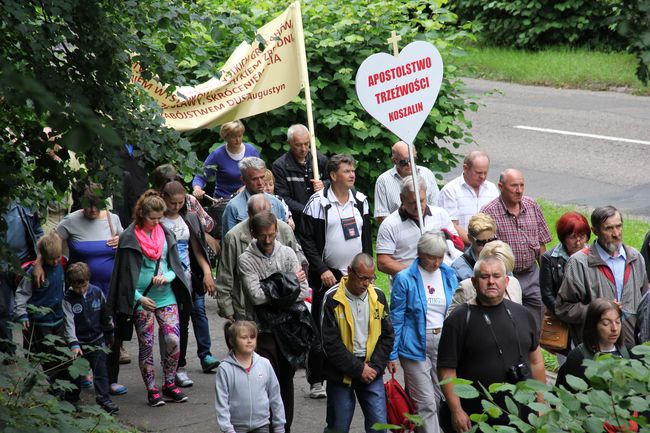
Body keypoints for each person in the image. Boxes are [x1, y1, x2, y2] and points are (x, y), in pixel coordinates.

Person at [437, 256, 546, 432]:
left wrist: (542, 404)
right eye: (484, 276)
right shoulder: (459, 319)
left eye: (496, 276)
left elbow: (536, 361)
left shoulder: (523, 314)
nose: (491, 282)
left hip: (523, 412)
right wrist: (456, 410)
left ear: (506, 280)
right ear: (473, 281)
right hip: (478, 416)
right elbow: (446, 370)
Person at [107, 190, 192, 407]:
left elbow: (175, 268)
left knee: (173, 340)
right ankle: (152, 388)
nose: (156, 222)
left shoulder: (165, 233)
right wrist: (138, 299)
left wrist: (167, 277)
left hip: (166, 296)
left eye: (158, 218)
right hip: (141, 300)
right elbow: (123, 277)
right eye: (152, 218)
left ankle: (170, 383)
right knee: (146, 344)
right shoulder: (128, 237)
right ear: (141, 215)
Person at [300, 154, 373, 398]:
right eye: (346, 170)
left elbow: (366, 241)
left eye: (352, 169)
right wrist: (321, 269)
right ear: (333, 175)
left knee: (358, 326)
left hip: (356, 276)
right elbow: (307, 239)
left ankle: (354, 371)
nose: (352, 174)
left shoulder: (361, 201)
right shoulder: (318, 202)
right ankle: (317, 379)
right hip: (328, 277)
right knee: (322, 330)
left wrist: (367, 273)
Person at [238, 212, 310, 433]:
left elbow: (303, 291)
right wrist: (287, 282)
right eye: (263, 236)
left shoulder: (287, 254)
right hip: (262, 329)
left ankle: (284, 427)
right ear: (253, 234)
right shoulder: (246, 259)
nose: (268, 241)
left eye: (271, 235)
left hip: (289, 327)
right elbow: (255, 297)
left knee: (286, 380)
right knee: (266, 380)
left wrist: (271, 288)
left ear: (276, 232)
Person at [387, 232, 459, 433]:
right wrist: (392, 354)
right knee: (426, 403)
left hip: (444, 344)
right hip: (414, 347)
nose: (436, 262)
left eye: (440, 257)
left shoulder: (449, 274)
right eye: (431, 257)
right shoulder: (405, 278)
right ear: (420, 254)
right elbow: (397, 317)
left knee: (438, 397)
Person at [321, 253, 394, 433]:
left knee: (379, 426)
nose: (367, 283)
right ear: (350, 271)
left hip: (372, 370)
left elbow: (387, 335)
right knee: (338, 426)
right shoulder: (331, 298)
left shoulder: (378, 296)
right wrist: (359, 369)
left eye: (371, 278)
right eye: (362, 278)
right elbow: (329, 343)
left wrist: (375, 367)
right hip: (340, 373)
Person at [555, 206, 648, 347]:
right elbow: (564, 308)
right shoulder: (579, 263)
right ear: (595, 231)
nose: (616, 233)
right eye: (609, 228)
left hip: (632, 347)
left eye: (618, 226)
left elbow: (645, 304)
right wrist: (599, 311)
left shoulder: (635, 258)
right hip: (597, 351)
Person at [160, 181, 219, 387]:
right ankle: (169, 365)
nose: (176, 206)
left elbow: (198, 250)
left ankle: (180, 366)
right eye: (172, 203)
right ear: (163, 199)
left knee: (183, 324)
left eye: (180, 202)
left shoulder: (190, 218)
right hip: (164, 279)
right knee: (169, 327)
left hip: (186, 278)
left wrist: (207, 273)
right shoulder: (157, 221)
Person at [481, 168, 551, 332]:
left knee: (536, 321)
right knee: (509, 323)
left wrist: (546, 276)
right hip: (507, 276)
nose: (519, 190)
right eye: (514, 186)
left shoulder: (532, 206)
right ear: (501, 186)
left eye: (522, 185)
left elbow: (542, 245)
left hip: (532, 273)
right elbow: (485, 252)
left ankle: (532, 352)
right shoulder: (489, 212)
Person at [216, 194, 304, 322]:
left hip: (287, 314)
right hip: (247, 310)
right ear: (249, 215)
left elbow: (301, 281)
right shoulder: (234, 236)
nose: (268, 240)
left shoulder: (285, 230)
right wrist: (226, 307)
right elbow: (226, 274)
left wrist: (271, 291)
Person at [14, 232, 71, 397]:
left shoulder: (62, 263)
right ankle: (34, 388)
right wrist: (22, 314)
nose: (55, 262)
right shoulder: (34, 271)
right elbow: (21, 294)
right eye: (51, 259)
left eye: (57, 257)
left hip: (58, 319)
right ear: (42, 256)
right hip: (39, 322)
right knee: (42, 356)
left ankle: (59, 386)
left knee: (59, 353)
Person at [376, 176, 461, 282]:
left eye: (421, 200)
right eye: (412, 202)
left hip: (441, 281)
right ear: (402, 198)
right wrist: (415, 274)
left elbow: (455, 246)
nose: (418, 206)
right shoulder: (389, 224)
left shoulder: (440, 214)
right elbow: (382, 262)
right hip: (409, 286)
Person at [62, 262, 118, 414]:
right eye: (76, 287)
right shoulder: (68, 299)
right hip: (78, 343)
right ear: (70, 283)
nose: (80, 290)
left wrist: (109, 332)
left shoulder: (97, 292)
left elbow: (105, 314)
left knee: (101, 372)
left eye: (83, 286)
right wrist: (73, 344)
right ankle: (72, 400)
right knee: (76, 373)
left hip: (97, 339)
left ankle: (104, 400)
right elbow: (69, 323)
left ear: (88, 280)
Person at [215, 321, 286, 433]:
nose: (249, 341)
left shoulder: (264, 364)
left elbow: (275, 396)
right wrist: (227, 428)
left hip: (262, 424)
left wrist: (279, 425)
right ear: (232, 341)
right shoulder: (225, 368)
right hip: (236, 427)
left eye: (252, 337)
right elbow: (221, 402)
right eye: (244, 337)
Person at [540, 211, 590, 352]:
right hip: (563, 323)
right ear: (563, 237)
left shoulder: (594, 255)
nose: (579, 242)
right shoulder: (549, 258)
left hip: (589, 320)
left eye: (582, 236)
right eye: (573, 237)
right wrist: (565, 314)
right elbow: (547, 294)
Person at [555, 299, 630, 390]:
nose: (614, 328)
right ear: (593, 325)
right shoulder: (579, 357)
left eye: (618, 322)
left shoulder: (629, 352)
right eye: (606, 323)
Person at [0, 198, 43, 354]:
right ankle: (8, 351)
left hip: (25, 265)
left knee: (29, 307)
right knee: (4, 310)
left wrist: (38, 261)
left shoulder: (25, 205)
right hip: (2, 267)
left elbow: (38, 232)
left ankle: (32, 349)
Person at [446, 240, 523, 317]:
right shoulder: (466, 288)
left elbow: (520, 319)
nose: (491, 281)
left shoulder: (514, 283)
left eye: (498, 274)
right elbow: (450, 322)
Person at [271, 123, 328, 227]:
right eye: (298, 145)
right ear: (289, 143)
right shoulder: (280, 166)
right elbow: (283, 197)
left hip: (321, 218)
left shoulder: (319, 160)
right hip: (297, 221)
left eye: (306, 144)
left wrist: (324, 184)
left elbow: (334, 182)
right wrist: (308, 211)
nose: (303, 149)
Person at [438, 151, 499, 245]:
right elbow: (451, 225)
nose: (482, 176)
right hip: (463, 249)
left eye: (485, 172)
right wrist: (477, 244)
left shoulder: (492, 189)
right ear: (466, 168)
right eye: (478, 173)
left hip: (489, 248)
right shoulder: (450, 191)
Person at [374, 141, 439, 225]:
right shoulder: (383, 181)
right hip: (398, 230)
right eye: (403, 162)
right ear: (394, 160)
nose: (409, 164)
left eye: (412, 160)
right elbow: (382, 216)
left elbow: (436, 206)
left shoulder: (427, 174)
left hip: (428, 227)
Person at [220, 157, 287, 238]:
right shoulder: (233, 207)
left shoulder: (276, 203)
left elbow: (284, 236)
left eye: (262, 177)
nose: (260, 183)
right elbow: (228, 241)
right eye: (254, 179)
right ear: (243, 180)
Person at [192, 120, 260, 200]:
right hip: (224, 201)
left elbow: (262, 174)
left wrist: (246, 187)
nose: (238, 140)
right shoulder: (217, 154)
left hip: (249, 199)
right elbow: (201, 176)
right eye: (234, 137)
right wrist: (197, 189)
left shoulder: (251, 151)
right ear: (225, 137)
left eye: (240, 136)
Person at [450, 213, 497, 281]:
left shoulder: (501, 258)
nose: (487, 246)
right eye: (481, 242)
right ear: (470, 238)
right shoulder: (459, 267)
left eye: (491, 240)